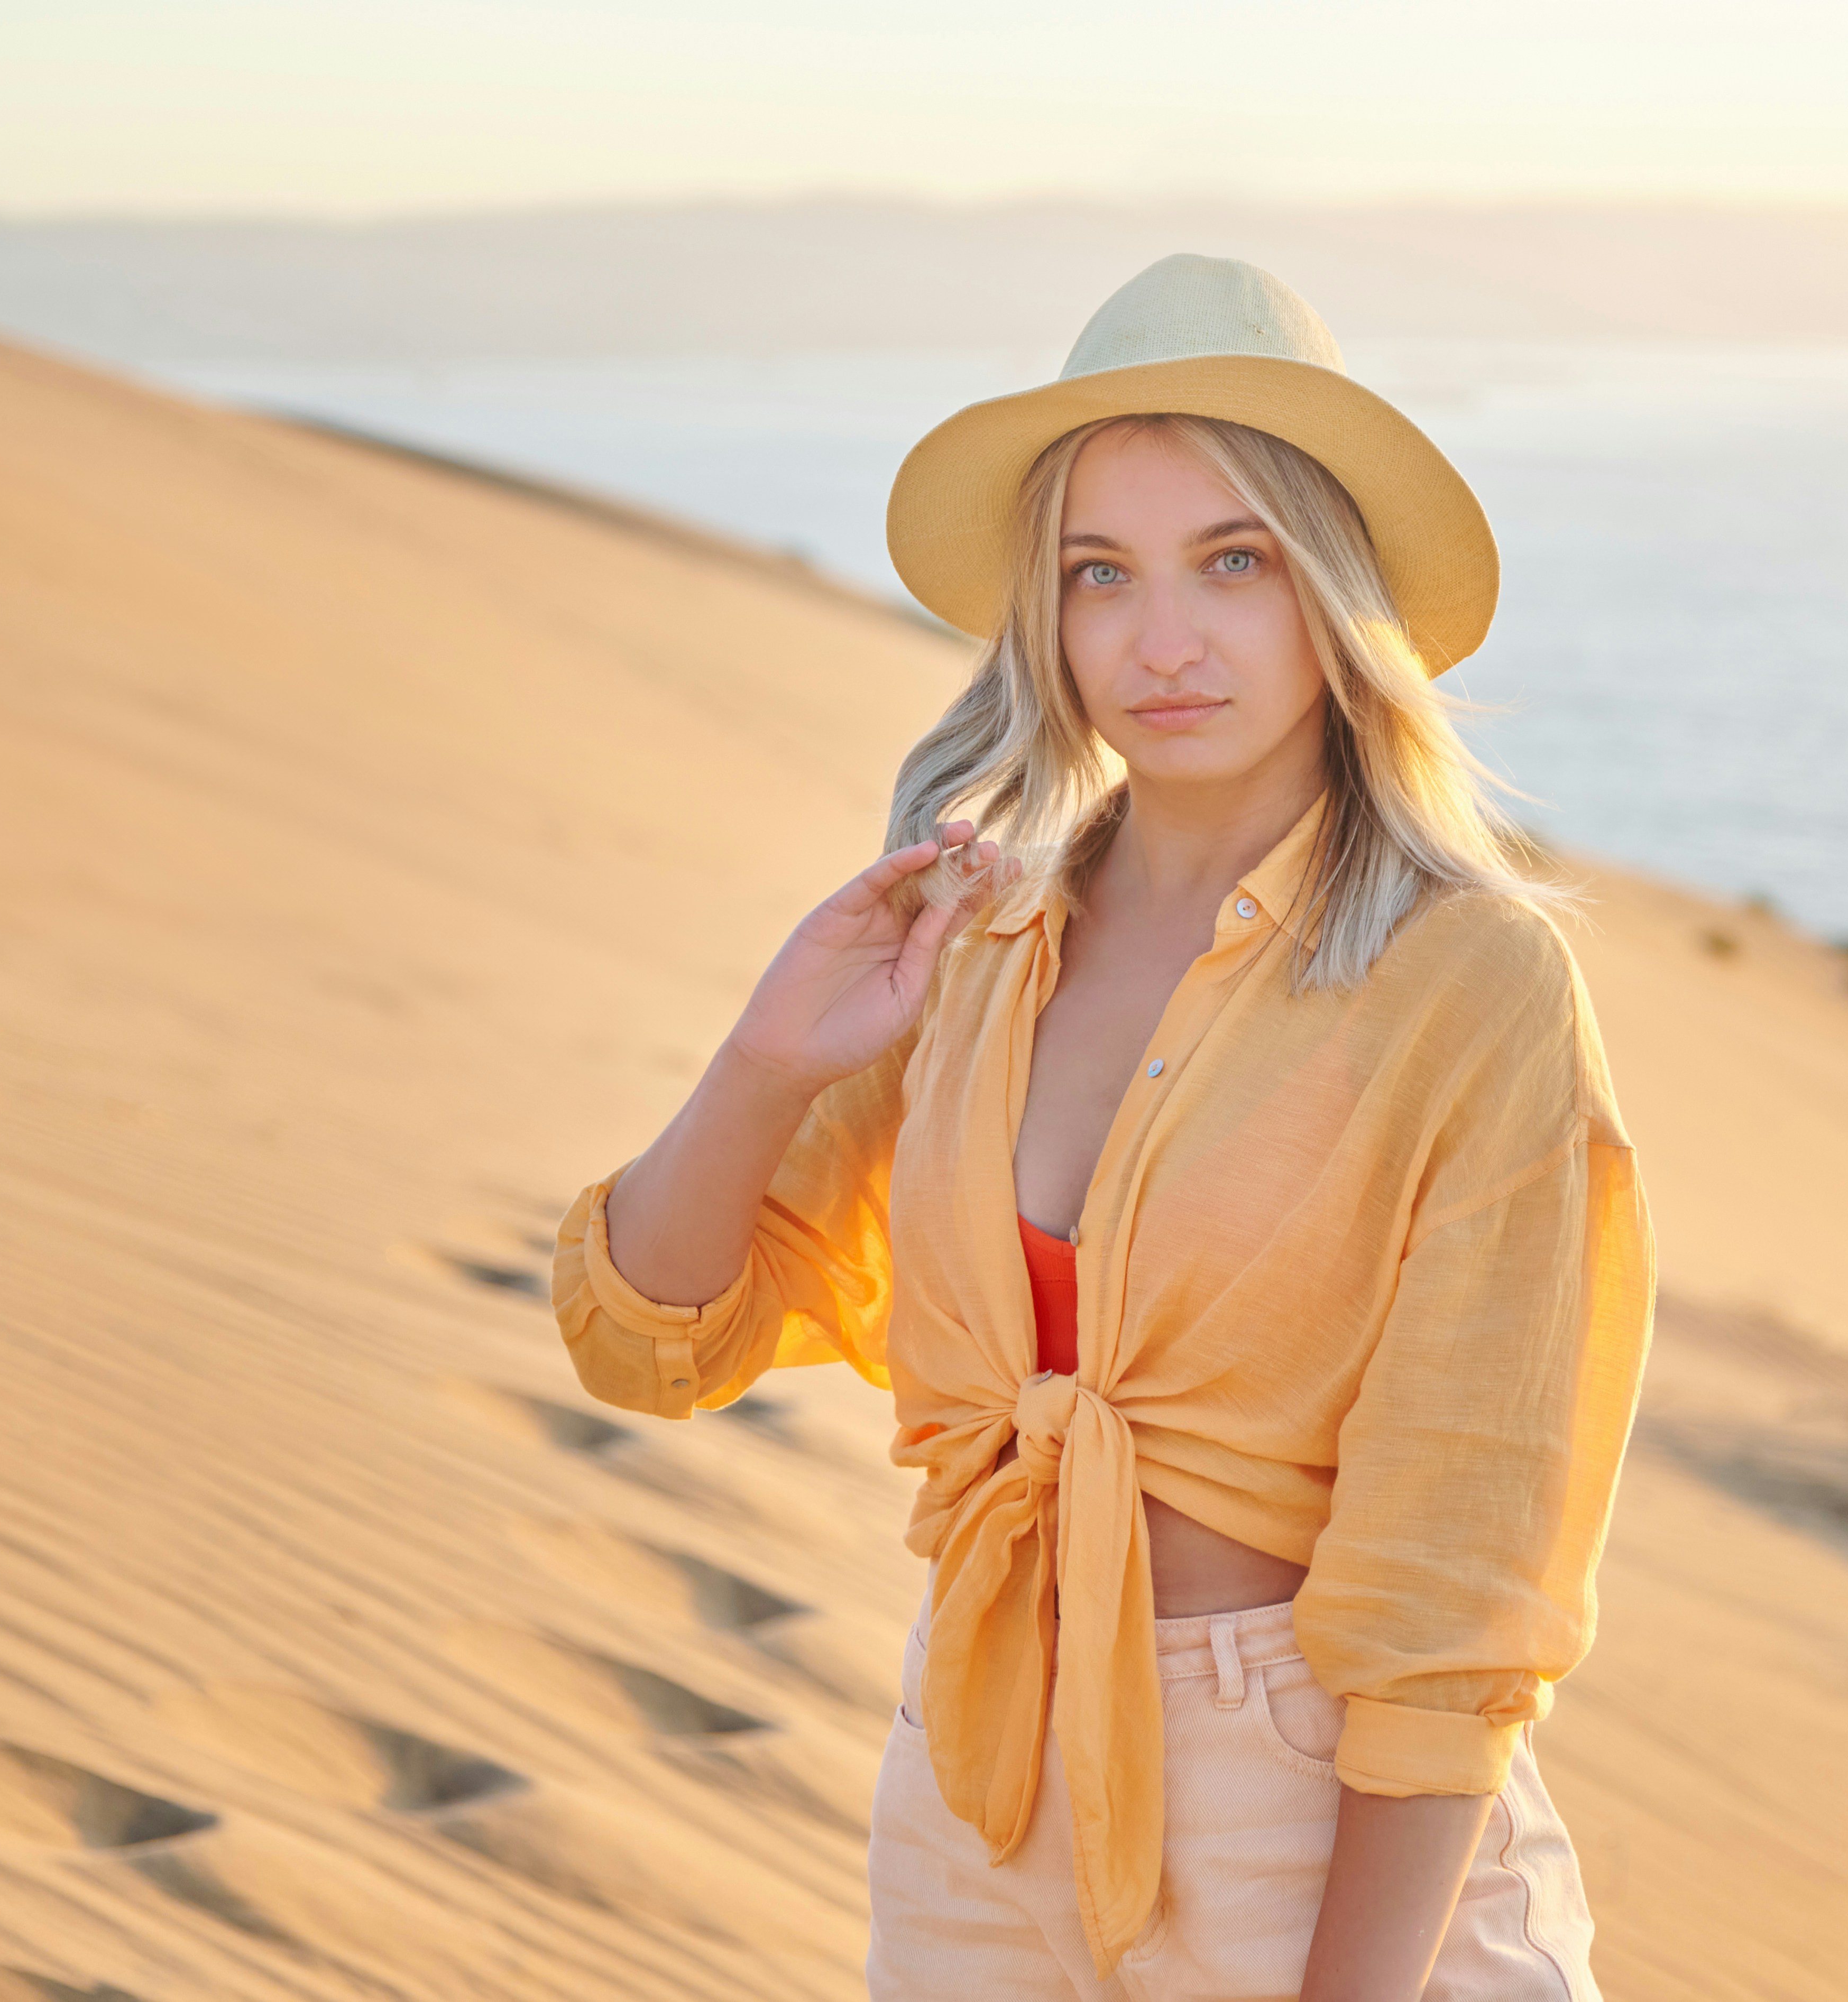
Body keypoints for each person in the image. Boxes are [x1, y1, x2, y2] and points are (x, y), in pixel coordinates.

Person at [554, 254, 1654, 2001]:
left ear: (1331, 591)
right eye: (1100, 573)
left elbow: (1461, 1585)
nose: (1163, 641)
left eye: (1235, 561)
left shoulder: (1473, 984)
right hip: (973, 1796)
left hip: (1316, 1816)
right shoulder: (978, 941)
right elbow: (651, 1339)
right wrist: (768, 1058)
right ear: (1046, 619)